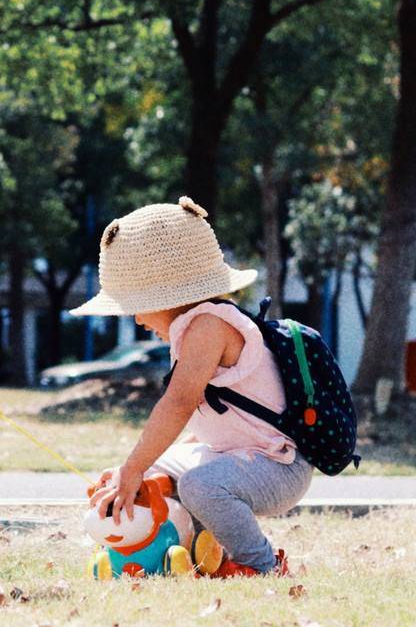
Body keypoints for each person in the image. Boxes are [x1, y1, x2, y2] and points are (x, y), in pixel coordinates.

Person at [75, 197, 312, 577]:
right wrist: (136, 472)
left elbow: (179, 403)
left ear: (167, 295)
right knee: (157, 476)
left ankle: (262, 564)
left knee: (197, 484)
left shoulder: (209, 327)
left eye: (136, 305)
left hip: (278, 468)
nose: (135, 318)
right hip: (238, 458)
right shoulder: (194, 329)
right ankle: (195, 551)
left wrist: (133, 467)